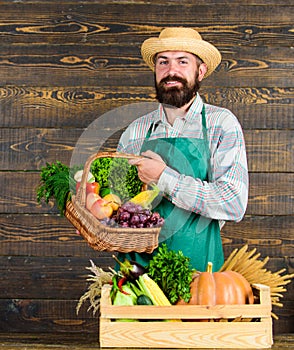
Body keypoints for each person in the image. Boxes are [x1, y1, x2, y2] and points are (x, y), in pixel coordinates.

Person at [116, 27, 248, 272]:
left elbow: (233, 202)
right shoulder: (136, 131)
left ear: (201, 70)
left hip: (199, 275)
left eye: (182, 61)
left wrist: (163, 178)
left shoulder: (222, 124)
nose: (171, 71)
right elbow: (115, 204)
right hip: (135, 277)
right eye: (163, 62)